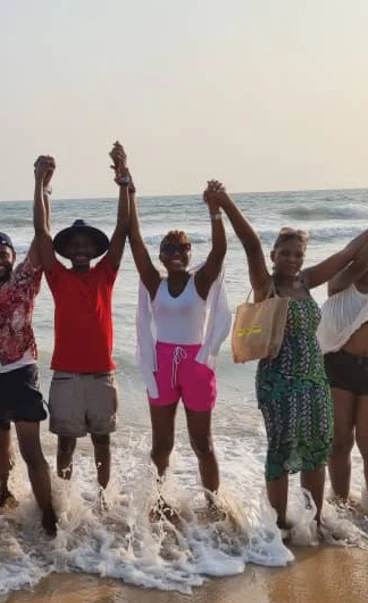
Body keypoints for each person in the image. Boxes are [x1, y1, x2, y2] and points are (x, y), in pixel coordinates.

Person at [221, 190, 368, 532]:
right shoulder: (266, 285)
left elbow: (347, 254)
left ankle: (313, 523)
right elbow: (249, 242)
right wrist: (226, 204)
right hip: (278, 381)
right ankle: (281, 526)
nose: (291, 259)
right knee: (282, 451)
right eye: (284, 254)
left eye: (297, 254)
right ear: (273, 256)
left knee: (317, 452)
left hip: (315, 379)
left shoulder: (305, 281)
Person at [128, 164, 231, 510]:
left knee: (203, 444)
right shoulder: (153, 283)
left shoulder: (199, 283)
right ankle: (158, 502)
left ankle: (214, 505)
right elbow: (134, 239)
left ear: (189, 254)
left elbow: (219, 253)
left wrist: (214, 210)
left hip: (196, 366)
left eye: (181, 249)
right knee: (162, 445)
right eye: (168, 249)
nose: (175, 254)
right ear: (160, 256)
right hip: (161, 366)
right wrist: (130, 190)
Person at [0, 163, 57, 536]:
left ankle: (48, 512)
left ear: (13, 257)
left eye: (4, 255)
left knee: (31, 449)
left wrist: (40, 185)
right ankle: (4, 493)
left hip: (22, 371)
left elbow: (42, 233)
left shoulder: (27, 278)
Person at [33, 149, 129, 491]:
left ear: (95, 249)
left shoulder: (106, 274)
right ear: (67, 251)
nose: (81, 249)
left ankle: (104, 500)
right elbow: (42, 233)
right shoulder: (58, 278)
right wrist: (40, 186)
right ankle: (66, 500)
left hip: (102, 374)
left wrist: (123, 180)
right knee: (66, 444)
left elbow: (123, 228)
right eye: (75, 245)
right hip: (67, 376)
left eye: (87, 244)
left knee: (103, 442)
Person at [317, 242, 368, 507]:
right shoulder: (342, 285)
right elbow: (349, 259)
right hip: (339, 364)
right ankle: (340, 504)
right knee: (339, 443)